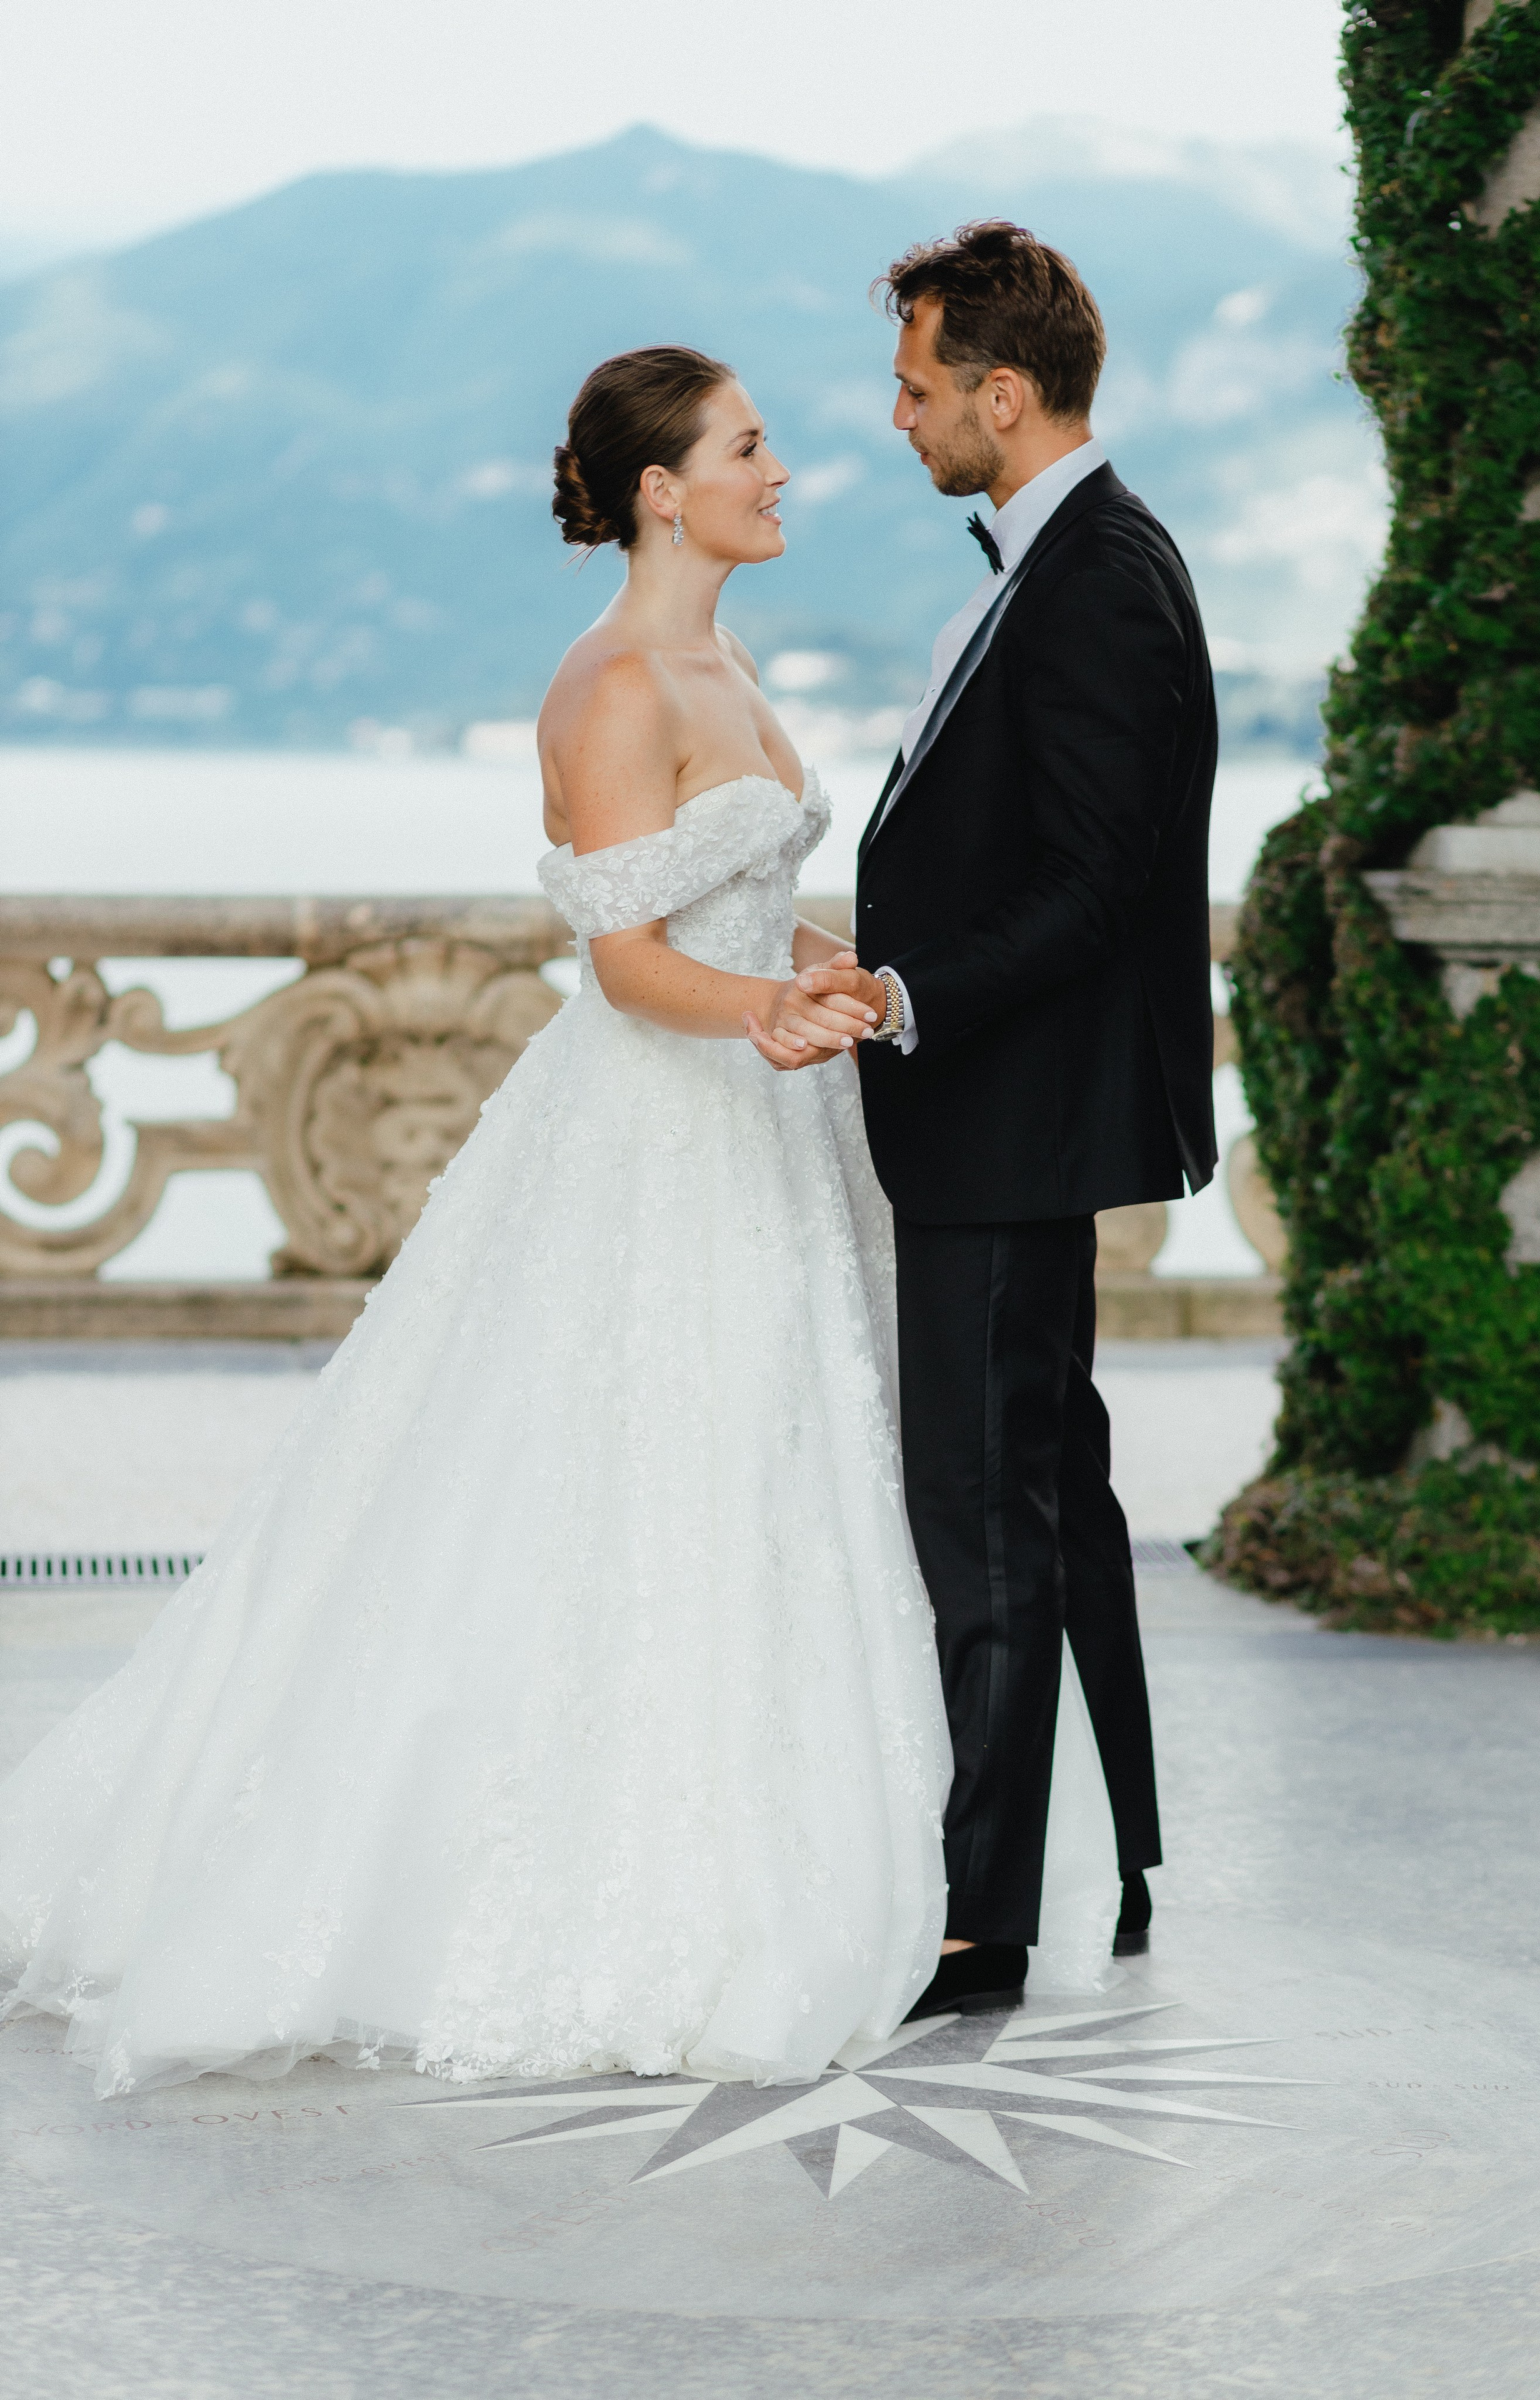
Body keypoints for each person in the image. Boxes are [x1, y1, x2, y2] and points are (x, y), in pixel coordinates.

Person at [0, 345, 1119, 2101]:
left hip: (779, 1131)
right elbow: (626, 965)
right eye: (751, 449)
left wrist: (830, 977)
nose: (785, 469)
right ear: (664, 488)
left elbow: (743, 905)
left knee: (774, 1483)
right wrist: (755, 1011)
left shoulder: (726, 662)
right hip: (665, 1139)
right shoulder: (609, 686)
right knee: (623, 1483)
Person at [775, 224, 1218, 2016]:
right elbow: (1023, 848)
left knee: (980, 1515)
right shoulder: (1063, 557)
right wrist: (885, 955)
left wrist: (905, 999)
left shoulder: (1100, 571)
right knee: (1052, 1494)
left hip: (1012, 1115)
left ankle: (978, 1925)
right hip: (1004, 1106)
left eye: (914, 386)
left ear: (1000, 393)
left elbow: (1102, 884)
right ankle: (1108, 1841)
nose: (897, 420)